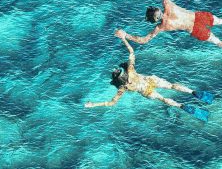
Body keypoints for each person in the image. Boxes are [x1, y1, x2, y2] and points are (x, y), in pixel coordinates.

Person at [84, 31, 213, 121]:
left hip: (146, 91)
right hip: (150, 80)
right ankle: (193, 92)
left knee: (163, 99)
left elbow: (111, 103)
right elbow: (131, 51)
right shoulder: (131, 70)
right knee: (172, 86)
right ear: (122, 73)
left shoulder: (122, 87)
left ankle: (182, 107)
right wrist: (123, 38)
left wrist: (93, 105)